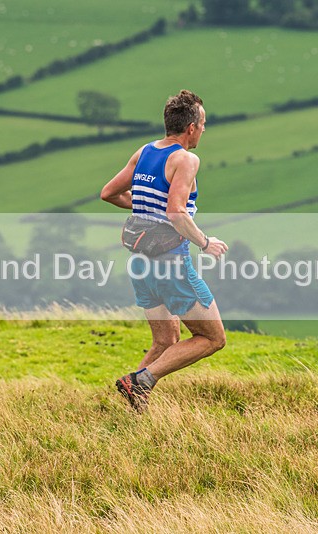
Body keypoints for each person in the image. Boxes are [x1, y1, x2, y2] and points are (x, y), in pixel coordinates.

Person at [100, 90, 228, 414]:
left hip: (140, 264)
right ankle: (143, 380)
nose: (203, 130)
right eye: (203, 124)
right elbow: (175, 211)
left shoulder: (143, 152)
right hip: (171, 265)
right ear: (191, 128)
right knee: (213, 338)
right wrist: (205, 242)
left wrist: (144, 207)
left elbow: (109, 193)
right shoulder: (186, 159)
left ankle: (131, 404)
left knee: (166, 339)